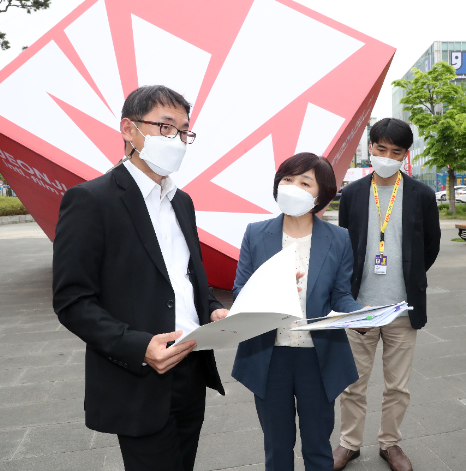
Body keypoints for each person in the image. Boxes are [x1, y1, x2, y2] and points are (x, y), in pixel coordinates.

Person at [52, 85, 229, 471]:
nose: (178, 140)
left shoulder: (182, 201)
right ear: (128, 129)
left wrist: (212, 309)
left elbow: (187, 279)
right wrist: (138, 346)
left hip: (191, 366)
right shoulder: (90, 200)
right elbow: (72, 301)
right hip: (138, 375)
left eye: (184, 131)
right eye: (165, 127)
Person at [232, 152, 365, 471]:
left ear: (321, 195)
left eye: (304, 182)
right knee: (277, 448)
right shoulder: (256, 233)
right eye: (287, 179)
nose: (291, 186)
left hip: (317, 358)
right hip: (269, 355)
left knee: (318, 447)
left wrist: (362, 315)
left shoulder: (339, 238)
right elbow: (240, 292)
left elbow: (341, 295)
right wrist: (274, 289)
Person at [334, 118, 441, 471]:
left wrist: (408, 279)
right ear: (370, 149)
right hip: (360, 307)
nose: (387, 156)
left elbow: (431, 245)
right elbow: (345, 247)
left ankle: (390, 444)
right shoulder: (351, 194)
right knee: (352, 383)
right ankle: (348, 443)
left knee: (398, 387)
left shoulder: (421, 195)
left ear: (405, 155)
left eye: (396, 151)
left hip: (402, 309)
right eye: (381, 149)